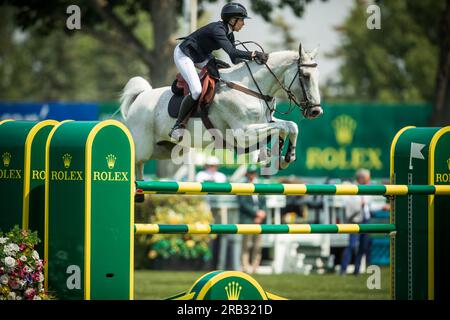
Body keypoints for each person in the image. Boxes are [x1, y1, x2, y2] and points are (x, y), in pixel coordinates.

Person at [169, 2, 269, 142]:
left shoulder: (230, 34)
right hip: (184, 54)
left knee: (223, 73)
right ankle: (178, 125)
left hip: (202, 55)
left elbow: (234, 58)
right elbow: (232, 51)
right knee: (197, 90)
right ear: (232, 20)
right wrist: (253, 53)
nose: (243, 24)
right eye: (241, 20)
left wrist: (252, 65)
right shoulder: (218, 29)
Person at [340, 169, 390, 275]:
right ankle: (343, 269)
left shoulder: (367, 190)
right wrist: (360, 203)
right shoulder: (352, 188)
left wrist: (382, 206)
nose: (369, 181)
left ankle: (357, 270)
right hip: (355, 220)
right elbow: (350, 205)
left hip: (366, 220)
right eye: (368, 179)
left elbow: (369, 206)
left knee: (364, 246)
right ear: (361, 179)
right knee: (352, 245)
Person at [237, 165, 267, 274]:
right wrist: (256, 213)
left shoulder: (260, 186)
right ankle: (245, 266)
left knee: (258, 245)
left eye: (254, 173)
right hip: (247, 219)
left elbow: (264, 202)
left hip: (259, 220)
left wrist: (262, 213)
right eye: (251, 173)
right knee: (245, 244)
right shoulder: (242, 186)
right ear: (247, 174)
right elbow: (243, 203)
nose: (252, 175)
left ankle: (255, 266)